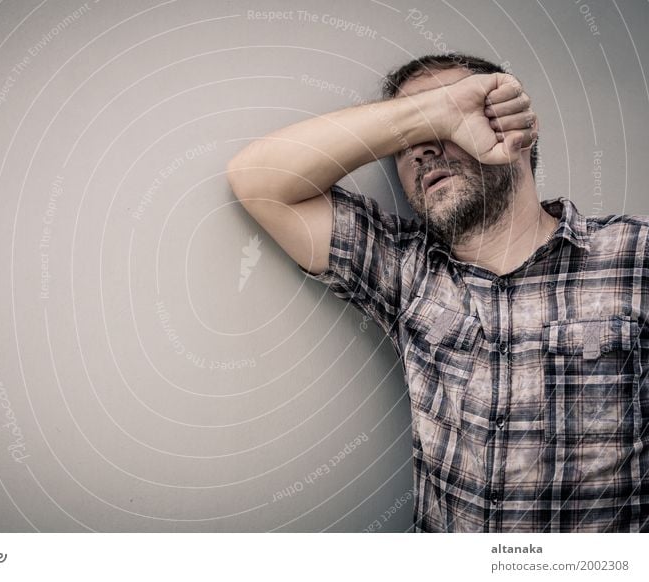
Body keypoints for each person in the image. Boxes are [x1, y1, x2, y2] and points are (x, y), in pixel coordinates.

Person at [226, 53, 648, 532]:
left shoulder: (633, 254)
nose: (419, 151)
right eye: (406, 141)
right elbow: (259, 181)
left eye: (452, 118)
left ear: (513, 130)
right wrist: (435, 114)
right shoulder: (405, 269)